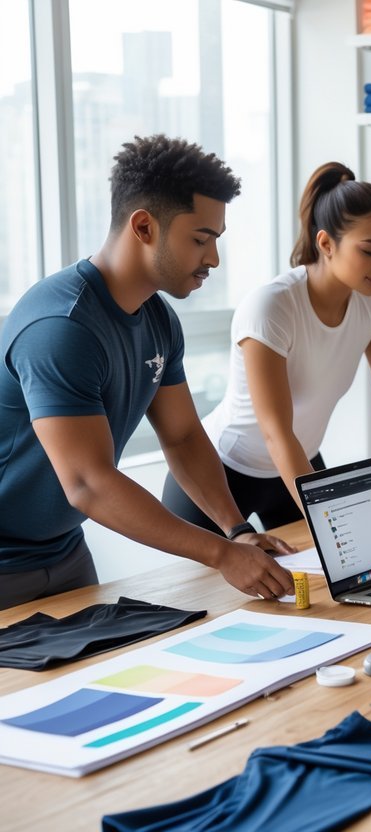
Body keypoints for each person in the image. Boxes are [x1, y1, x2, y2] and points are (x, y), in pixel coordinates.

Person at [0, 135, 296, 611]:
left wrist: (237, 530)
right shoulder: (62, 327)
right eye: (200, 239)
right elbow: (88, 483)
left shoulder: (157, 317)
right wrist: (221, 555)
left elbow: (181, 437)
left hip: (65, 550)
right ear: (143, 227)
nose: (213, 259)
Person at [163, 162, 371, 534]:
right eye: (369, 251)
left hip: (300, 463)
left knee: (328, 586)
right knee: (200, 592)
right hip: (221, 472)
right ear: (326, 243)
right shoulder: (273, 306)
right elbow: (275, 432)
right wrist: (330, 523)